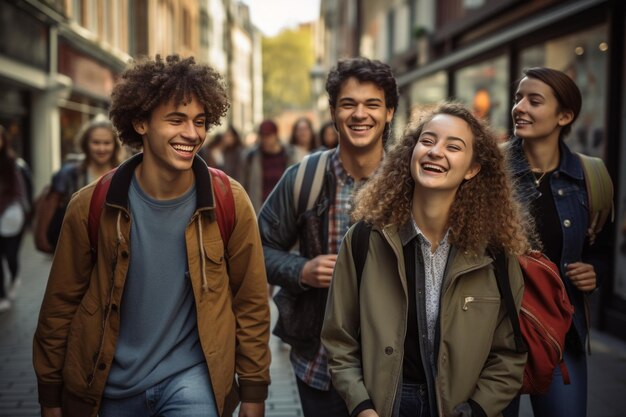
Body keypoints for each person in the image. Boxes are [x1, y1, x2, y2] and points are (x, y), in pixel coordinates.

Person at [33, 55, 270, 417]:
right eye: (176, 119)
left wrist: (253, 391)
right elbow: (60, 306)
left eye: (200, 122)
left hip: (190, 379)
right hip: (109, 383)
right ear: (140, 122)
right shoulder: (90, 205)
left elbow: (251, 301)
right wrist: (50, 395)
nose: (191, 134)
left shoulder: (228, 200)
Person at [321, 102, 532, 417]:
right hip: (385, 405)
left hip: (461, 407)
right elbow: (339, 340)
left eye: (453, 146)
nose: (435, 151)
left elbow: (509, 354)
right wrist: (362, 406)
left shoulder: (496, 253)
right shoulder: (365, 239)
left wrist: (476, 409)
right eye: (428, 141)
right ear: (411, 153)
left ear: (473, 168)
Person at [258, 57, 398, 417]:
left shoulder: (410, 182)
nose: (359, 114)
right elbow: (256, 249)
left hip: (395, 365)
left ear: (390, 113)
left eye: (372, 104)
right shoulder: (304, 177)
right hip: (319, 365)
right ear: (334, 112)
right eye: (348, 104)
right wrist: (301, 271)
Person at [502, 67, 613, 417]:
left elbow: (601, 251)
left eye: (534, 100)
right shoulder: (490, 170)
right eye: (519, 97)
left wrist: (593, 271)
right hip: (494, 334)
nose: (520, 107)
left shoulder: (589, 175)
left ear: (564, 116)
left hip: (560, 333)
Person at [34, 116, 121, 253]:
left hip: (110, 247)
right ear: (86, 143)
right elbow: (50, 206)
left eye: (106, 143)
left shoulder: (123, 174)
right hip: (74, 246)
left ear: (115, 145)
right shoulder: (69, 173)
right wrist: (42, 238)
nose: (101, 148)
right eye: (96, 142)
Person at [0, 125, 30, 312]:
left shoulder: (13, 163)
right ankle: (2, 295)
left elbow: (18, 193)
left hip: (11, 218)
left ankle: (14, 277)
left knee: (11, 256)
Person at [242, 119, 302, 212]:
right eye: (263, 136)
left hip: (284, 209)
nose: (265, 140)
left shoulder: (289, 154)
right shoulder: (251, 156)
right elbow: (244, 184)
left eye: (269, 136)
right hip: (260, 209)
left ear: (276, 135)